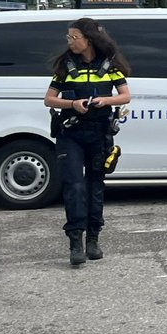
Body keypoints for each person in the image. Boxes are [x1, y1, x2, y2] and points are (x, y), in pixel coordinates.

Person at [43, 18, 132, 266]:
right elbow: (49, 99)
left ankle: (93, 240)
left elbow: (126, 96)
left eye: (74, 37)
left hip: (99, 133)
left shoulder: (110, 65)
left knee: (95, 185)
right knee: (74, 186)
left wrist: (105, 101)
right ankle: (75, 242)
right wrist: (72, 104)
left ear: (88, 39)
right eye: (68, 37)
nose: (69, 41)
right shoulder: (65, 66)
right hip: (70, 133)